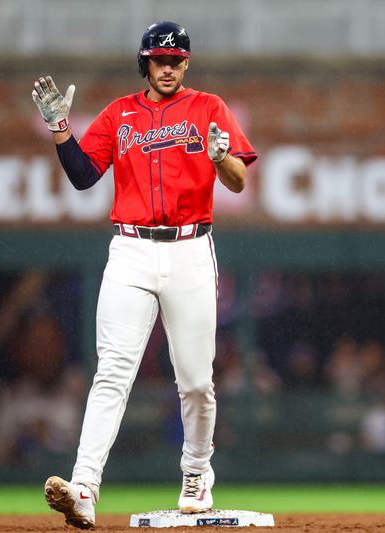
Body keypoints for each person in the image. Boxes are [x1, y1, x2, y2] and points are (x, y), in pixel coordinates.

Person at [31, 20, 257, 529]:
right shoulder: (119, 113)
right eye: (161, 58)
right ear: (145, 62)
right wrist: (61, 129)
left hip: (190, 248)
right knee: (112, 371)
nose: (170, 66)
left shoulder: (209, 108)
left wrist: (221, 158)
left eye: (177, 59)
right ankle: (84, 487)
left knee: (197, 381)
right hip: (131, 248)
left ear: (186, 64)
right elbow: (84, 176)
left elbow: (239, 182)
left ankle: (197, 473)